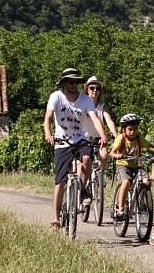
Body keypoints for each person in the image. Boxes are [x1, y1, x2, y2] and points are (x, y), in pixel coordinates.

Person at [43, 67, 107, 228]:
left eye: (76, 82)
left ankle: (83, 189)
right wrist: (48, 134)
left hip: (80, 139)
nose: (74, 84)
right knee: (61, 182)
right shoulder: (56, 97)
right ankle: (56, 218)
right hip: (62, 141)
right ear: (63, 83)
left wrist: (103, 135)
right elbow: (48, 118)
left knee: (87, 158)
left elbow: (94, 118)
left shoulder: (85, 100)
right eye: (70, 81)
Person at [109, 113, 154, 219]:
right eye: (130, 129)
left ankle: (141, 201)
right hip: (123, 166)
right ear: (124, 129)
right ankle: (120, 208)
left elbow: (151, 147)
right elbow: (111, 152)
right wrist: (117, 155)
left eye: (135, 129)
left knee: (147, 180)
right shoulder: (121, 139)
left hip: (136, 166)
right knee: (126, 182)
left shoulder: (138, 139)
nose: (133, 132)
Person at [82, 76, 118, 172]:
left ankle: (101, 176)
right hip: (84, 137)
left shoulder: (102, 106)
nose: (95, 90)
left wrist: (116, 135)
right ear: (87, 89)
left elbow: (109, 121)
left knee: (104, 155)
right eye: (92, 88)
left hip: (98, 137)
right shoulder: (82, 104)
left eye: (97, 88)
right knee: (84, 161)